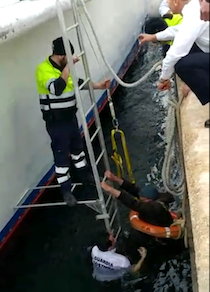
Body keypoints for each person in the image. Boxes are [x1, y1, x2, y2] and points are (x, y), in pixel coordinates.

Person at [35, 37, 110, 207]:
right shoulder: (43, 70)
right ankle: (66, 191)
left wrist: (98, 86)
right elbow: (57, 88)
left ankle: (84, 176)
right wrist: (69, 66)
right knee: (61, 156)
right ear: (62, 56)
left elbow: (76, 83)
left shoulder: (64, 69)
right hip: (56, 122)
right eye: (68, 57)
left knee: (78, 149)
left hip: (70, 118)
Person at [141, 0, 210, 127]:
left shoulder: (193, 11)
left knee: (181, 64)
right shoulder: (194, 8)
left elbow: (176, 53)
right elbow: (180, 30)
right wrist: (154, 37)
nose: (166, 5)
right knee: (191, 50)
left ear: (176, 1)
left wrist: (163, 79)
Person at [101, 170, 174, 227]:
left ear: (149, 200)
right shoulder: (157, 197)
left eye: (142, 199)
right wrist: (114, 178)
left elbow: (133, 203)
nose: (140, 199)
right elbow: (134, 189)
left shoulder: (154, 208)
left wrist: (110, 189)